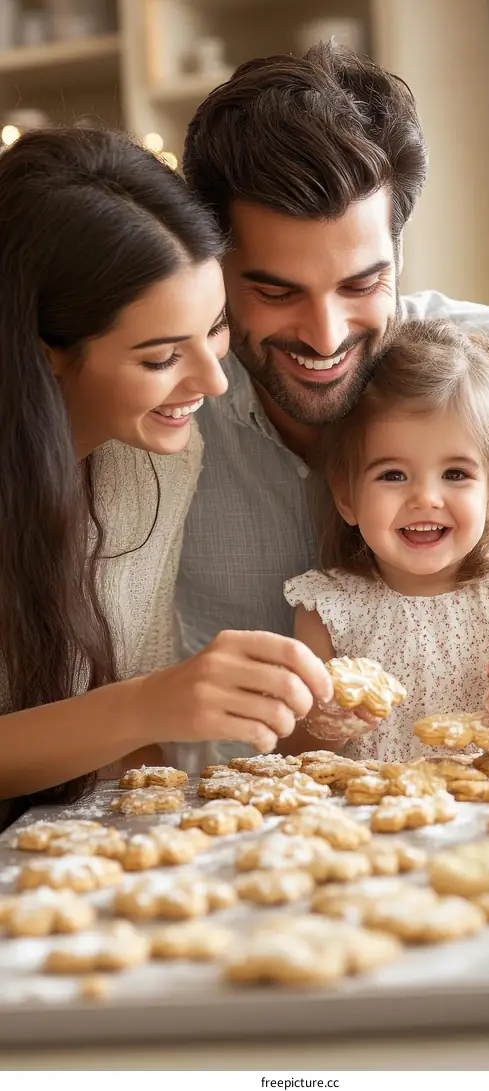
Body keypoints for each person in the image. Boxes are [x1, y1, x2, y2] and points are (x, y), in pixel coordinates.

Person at [178, 42, 489, 766]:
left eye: (360, 284)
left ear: (400, 255)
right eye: (277, 291)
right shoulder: (166, 416)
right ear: (213, 269)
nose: (325, 334)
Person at [0, 127, 332, 829]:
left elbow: (127, 748)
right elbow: (131, 706)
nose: (213, 381)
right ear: (44, 352)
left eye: (215, 328)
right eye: (159, 358)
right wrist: (153, 699)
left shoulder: (158, 460)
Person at [282, 319, 489, 760]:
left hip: (487, 810)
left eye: (455, 474)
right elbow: (293, 750)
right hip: (370, 819)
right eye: (392, 474)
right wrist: (328, 721)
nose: (425, 498)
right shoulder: (327, 607)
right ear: (347, 497)